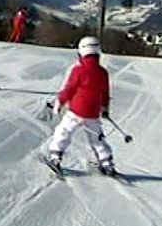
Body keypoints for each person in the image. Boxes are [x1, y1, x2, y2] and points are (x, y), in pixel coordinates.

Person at [45, 36, 116, 176]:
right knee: (97, 138)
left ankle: (55, 156)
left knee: (63, 131)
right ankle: (107, 163)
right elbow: (105, 93)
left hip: (76, 111)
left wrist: (60, 101)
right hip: (93, 113)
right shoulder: (103, 72)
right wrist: (105, 108)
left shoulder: (78, 70)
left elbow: (69, 89)